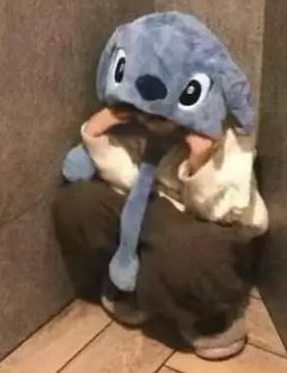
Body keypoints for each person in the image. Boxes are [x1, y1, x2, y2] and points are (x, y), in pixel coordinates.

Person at [53, 106, 268, 360]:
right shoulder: (150, 129)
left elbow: (224, 212)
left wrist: (199, 161)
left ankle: (208, 314)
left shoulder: (231, 142)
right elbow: (125, 180)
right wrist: (96, 131)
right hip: (154, 218)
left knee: (183, 247)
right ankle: (135, 282)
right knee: (79, 203)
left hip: (209, 232)